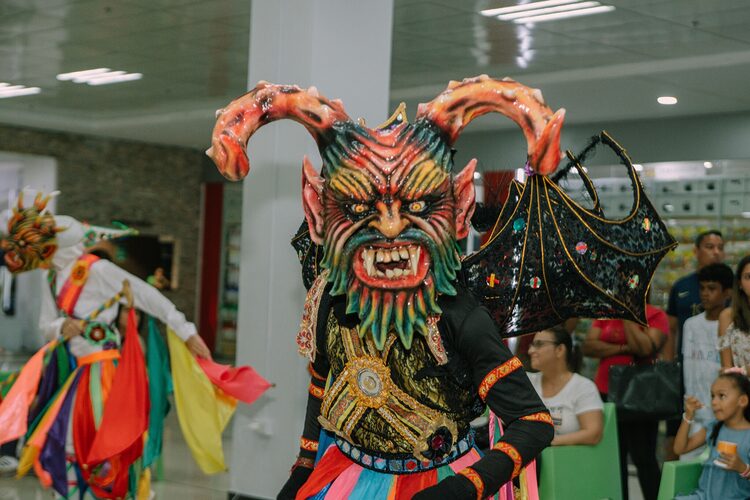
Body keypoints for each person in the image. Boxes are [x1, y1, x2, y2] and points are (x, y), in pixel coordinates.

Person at [207, 77, 675, 499]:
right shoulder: (331, 298)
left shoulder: (458, 315)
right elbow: (321, 386)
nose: (390, 227)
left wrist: (468, 485)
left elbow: (532, 424)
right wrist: (303, 468)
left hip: (440, 479)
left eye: (417, 204)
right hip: (345, 477)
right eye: (358, 208)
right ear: (316, 211)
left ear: (458, 210)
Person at [0, 194, 211, 498]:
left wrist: (185, 329)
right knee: (67, 443)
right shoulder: (52, 278)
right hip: (74, 373)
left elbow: (147, 295)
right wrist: (62, 327)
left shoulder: (97, 270)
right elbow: (46, 326)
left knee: (110, 445)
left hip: (106, 373)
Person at [582, 305, 669, 500]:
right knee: (614, 458)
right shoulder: (605, 313)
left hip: (639, 395)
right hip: (605, 391)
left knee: (644, 457)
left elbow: (645, 348)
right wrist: (623, 347)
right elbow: (588, 346)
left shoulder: (655, 315)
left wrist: (629, 318)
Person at [664, 230, 725, 458]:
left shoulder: (729, 289)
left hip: (717, 376)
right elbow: (670, 329)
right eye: (710, 246)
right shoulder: (681, 287)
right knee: (677, 437)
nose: (716, 251)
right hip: (685, 371)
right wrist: (670, 366)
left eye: (720, 247)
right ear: (696, 251)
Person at [681, 263, 734, 453]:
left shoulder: (733, 327)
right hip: (693, 412)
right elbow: (688, 368)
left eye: (712, 289)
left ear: (727, 292)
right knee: (686, 465)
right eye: (702, 288)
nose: (705, 293)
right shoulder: (691, 325)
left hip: (721, 415)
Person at [673, 371, 750, 500]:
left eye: (721, 396)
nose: (714, 402)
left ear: (742, 400)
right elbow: (680, 449)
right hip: (704, 496)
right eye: (712, 396)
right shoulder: (715, 427)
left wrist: (742, 468)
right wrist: (688, 416)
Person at [527, 325, 603, 446]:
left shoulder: (583, 387)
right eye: (531, 345)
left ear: (560, 350)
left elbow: (593, 434)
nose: (530, 351)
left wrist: (547, 443)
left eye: (539, 344)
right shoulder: (528, 381)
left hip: (568, 460)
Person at [719, 255, 750, 371]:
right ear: (740, 283)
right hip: (740, 386)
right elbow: (726, 368)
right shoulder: (727, 316)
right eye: (748, 277)